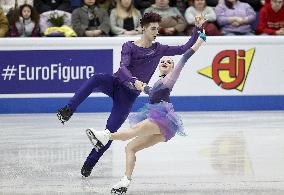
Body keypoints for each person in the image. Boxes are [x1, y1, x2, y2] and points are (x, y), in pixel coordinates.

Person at [57, 12, 206, 178]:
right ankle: (68, 109)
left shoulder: (159, 49)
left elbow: (184, 48)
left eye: (157, 29)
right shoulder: (129, 46)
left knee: (111, 130)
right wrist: (134, 80)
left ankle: (90, 163)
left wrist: (198, 28)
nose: (156, 32)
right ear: (143, 28)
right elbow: (123, 67)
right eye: (152, 29)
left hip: (127, 97)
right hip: (115, 83)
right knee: (96, 78)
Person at [86, 30, 206, 194]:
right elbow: (147, 90)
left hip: (163, 118)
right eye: (163, 61)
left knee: (134, 130)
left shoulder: (171, 78)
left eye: (169, 62)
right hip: (163, 128)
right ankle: (125, 181)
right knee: (130, 148)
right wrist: (139, 85)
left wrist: (200, 40)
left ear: (172, 68)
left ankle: (104, 136)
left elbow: (185, 57)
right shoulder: (157, 82)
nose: (165, 62)